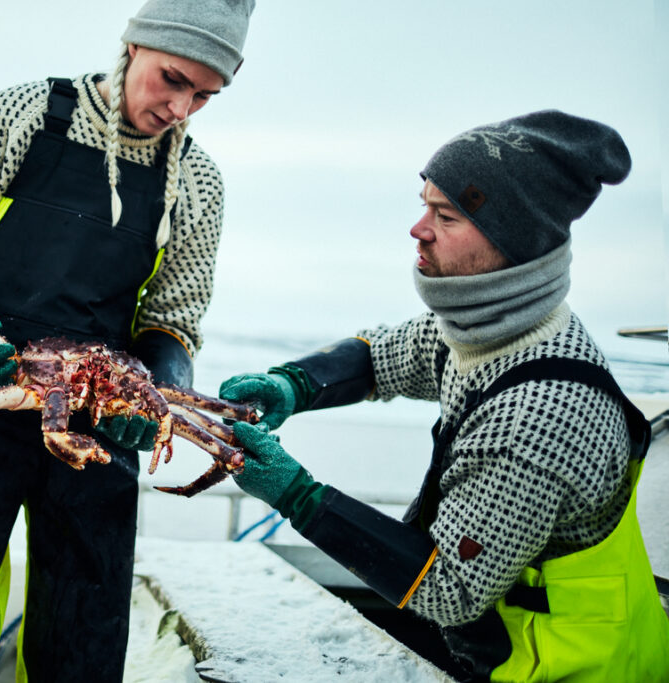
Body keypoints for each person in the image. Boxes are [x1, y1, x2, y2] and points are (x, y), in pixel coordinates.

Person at [219, 111, 669, 682]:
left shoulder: (539, 414)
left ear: (512, 241)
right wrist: (295, 383)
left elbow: (449, 588)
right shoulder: (494, 329)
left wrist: (297, 496)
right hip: (504, 642)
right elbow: (389, 355)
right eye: (424, 204)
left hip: (565, 667)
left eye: (446, 215)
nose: (418, 228)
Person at [0, 1, 255, 680]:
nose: (180, 108)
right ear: (135, 45)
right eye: (173, 79)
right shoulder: (25, 115)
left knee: (84, 638)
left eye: (205, 95)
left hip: (101, 416)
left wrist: (157, 395)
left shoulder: (197, 182)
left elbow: (173, 320)